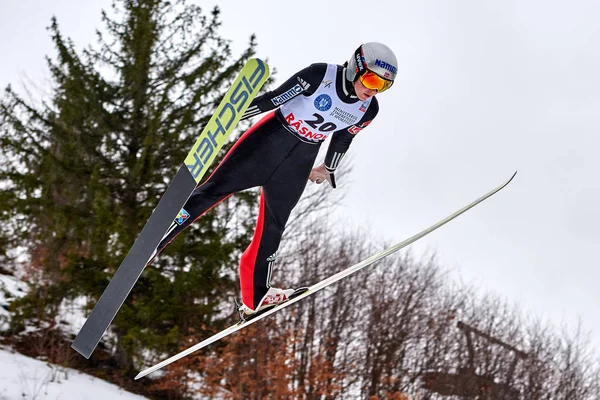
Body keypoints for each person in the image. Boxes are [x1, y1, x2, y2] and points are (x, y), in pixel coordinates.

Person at [150, 42, 398, 317]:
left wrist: (328, 167)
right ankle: (158, 237)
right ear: (356, 68)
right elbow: (275, 98)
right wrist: (233, 115)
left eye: (383, 87)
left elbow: (344, 137)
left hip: (299, 161)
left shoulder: (368, 109)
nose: (373, 90)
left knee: (274, 225)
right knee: (216, 189)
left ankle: (255, 297)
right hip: (269, 140)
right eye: (372, 80)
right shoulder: (320, 75)